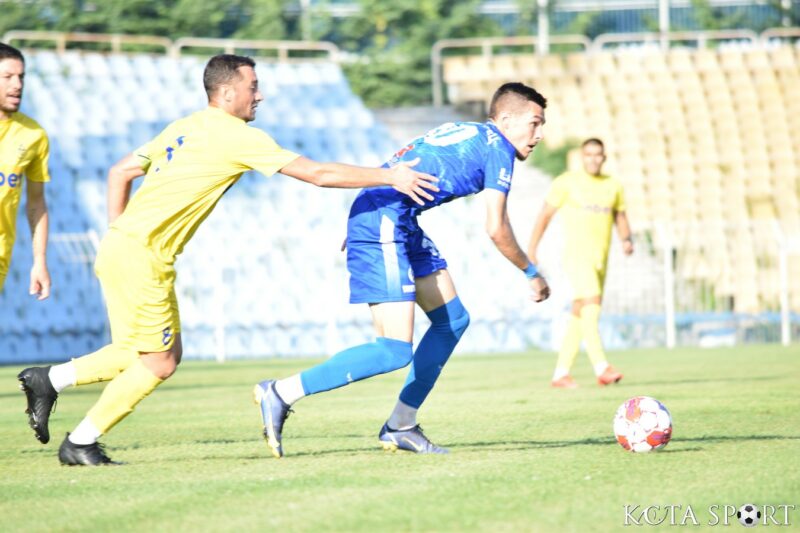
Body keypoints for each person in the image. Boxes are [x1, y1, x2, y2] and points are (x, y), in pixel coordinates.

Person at [17, 54, 439, 466]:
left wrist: (121, 232)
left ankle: (49, 380)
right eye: (253, 87)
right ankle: (81, 441)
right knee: (158, 362)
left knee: (150, 352)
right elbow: (317, 174)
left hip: (124, 250)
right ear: (226, 92)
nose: (260, 96)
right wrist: (391, 176)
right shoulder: (236, 135)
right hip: (141, 256)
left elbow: (119, 172)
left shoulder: (185, 126)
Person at [255, 82, 551, 458]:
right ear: (506, 119)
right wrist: (530, 271)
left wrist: (363, 216)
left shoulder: (469, 131)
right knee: (394, 351)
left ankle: (401, 425)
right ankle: (281, 392)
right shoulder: (499, 149)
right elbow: (496, 227)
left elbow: (401, 167)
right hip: (386, 222)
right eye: (534, 123)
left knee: (452, 321)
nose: (539, 135)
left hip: (395, 219)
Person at [527, 138, 633, 388]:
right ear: (582, 157)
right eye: (589, 154)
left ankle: (561, 373)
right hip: (576, 256)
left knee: (580, 312)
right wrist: (532, 249)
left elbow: (620, 215)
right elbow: (545, 215)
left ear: (604, 157)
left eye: (598, 154)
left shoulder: (613, 185)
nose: (593, 159)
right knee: (592, 306)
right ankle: (601, 366)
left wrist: (626, 239)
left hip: (601, 259)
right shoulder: (567, 182)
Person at [0, 43, 51, 300]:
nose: (17, 84)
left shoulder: (33, 135)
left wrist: (39, 261)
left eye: (21, 77)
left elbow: (36, 202)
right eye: (8, 77)